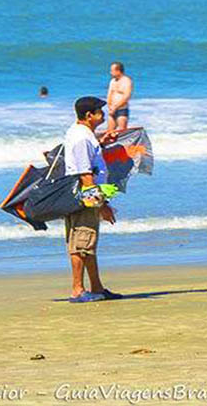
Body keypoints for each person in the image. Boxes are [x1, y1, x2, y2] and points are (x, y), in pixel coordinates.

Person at [62, 96, 121, 303]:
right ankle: (78, 290)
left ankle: (96, 287)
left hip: (87, 195)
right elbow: (85, 176)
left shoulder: (85, 134)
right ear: (89, 115)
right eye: (100, 111)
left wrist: (101, 143)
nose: (103, 115)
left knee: (88, 243)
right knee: (81, 242)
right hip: (85, 196)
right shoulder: (81, 138)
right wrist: (102, 205)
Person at [105, 62, 133, 133]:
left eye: (112, 70)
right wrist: (110, 106)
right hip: (112, 109)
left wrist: (116, 107)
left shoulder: (126, 81)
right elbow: (109, 94)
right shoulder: (112, 81)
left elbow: (126, 96)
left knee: (122, 131)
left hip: (121, 109)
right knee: (110, 131)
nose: (110, 72)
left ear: (118, 71)